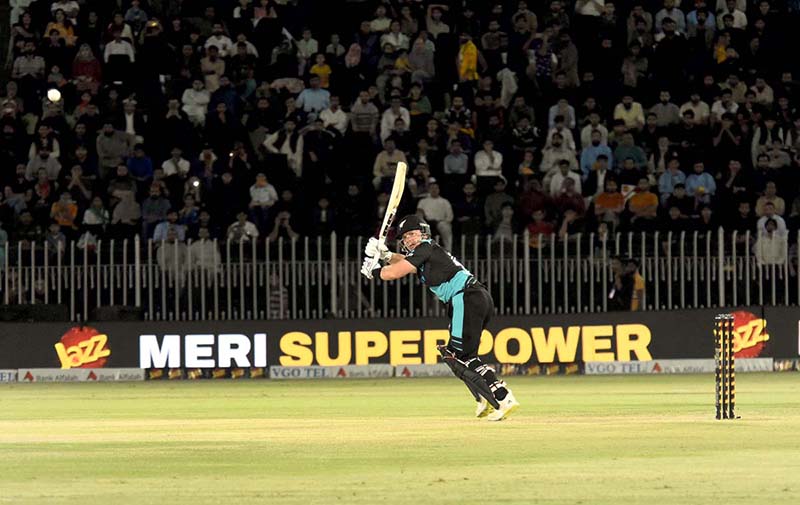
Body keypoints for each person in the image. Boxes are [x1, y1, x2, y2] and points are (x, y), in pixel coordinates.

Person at [362, 215, 519, 421]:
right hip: (474, 297)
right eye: (405, 237)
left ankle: (502, 396)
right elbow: (407, 262)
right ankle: (486, 399)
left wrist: (374, 269)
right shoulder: (427, 252)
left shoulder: (425, 247)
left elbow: (394, 273)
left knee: (463, 356)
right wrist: (386, 254)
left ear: (423, 232)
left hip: (465, 297)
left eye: (412, 234)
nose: (409, 239)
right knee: (454, 354)